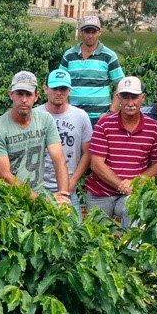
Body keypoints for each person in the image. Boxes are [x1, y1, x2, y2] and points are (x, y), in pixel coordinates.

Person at [85, 77, 157, 225]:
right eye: (125, 97)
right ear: (118, 98)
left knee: (133, 222)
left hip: (133, 192)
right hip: (100, 192)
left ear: (142, 98)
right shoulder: (104, 124)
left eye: (134, 97)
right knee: (96, 235)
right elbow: (96, 164)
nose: (130, 103)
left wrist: (135, 183)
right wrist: (121, 185)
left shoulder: (153, 128)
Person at [0, 71, 71, 206]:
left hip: (37, 193)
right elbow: (5, 176)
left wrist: (63, 197)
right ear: (11, 94)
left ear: (36, 96)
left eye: (28, 94)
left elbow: (59, 160)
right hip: (5, 199)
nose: (24, 100)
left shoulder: (45, 120)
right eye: (19, 94)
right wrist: (43, 201)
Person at [35, 69, 92, 218]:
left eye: (63, 89)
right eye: (54, 88)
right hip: (38, 189)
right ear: (45, 89)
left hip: (67, 189)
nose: (59, 93)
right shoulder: (34, 115)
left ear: (69, 91)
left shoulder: (80, 116)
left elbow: (87, 153)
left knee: (75, 229)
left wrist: (73, 181)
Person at [58, 16, 124, 124]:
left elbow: (121, 84)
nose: (90, 35)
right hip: (74, 117)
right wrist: (66, 110)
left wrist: (111, 113)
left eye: (94, 32)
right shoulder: (69, 55)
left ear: (99, 32)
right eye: (87, 31)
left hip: (100, 118)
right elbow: (61, 84)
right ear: (81, 32)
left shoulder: (109, 56)